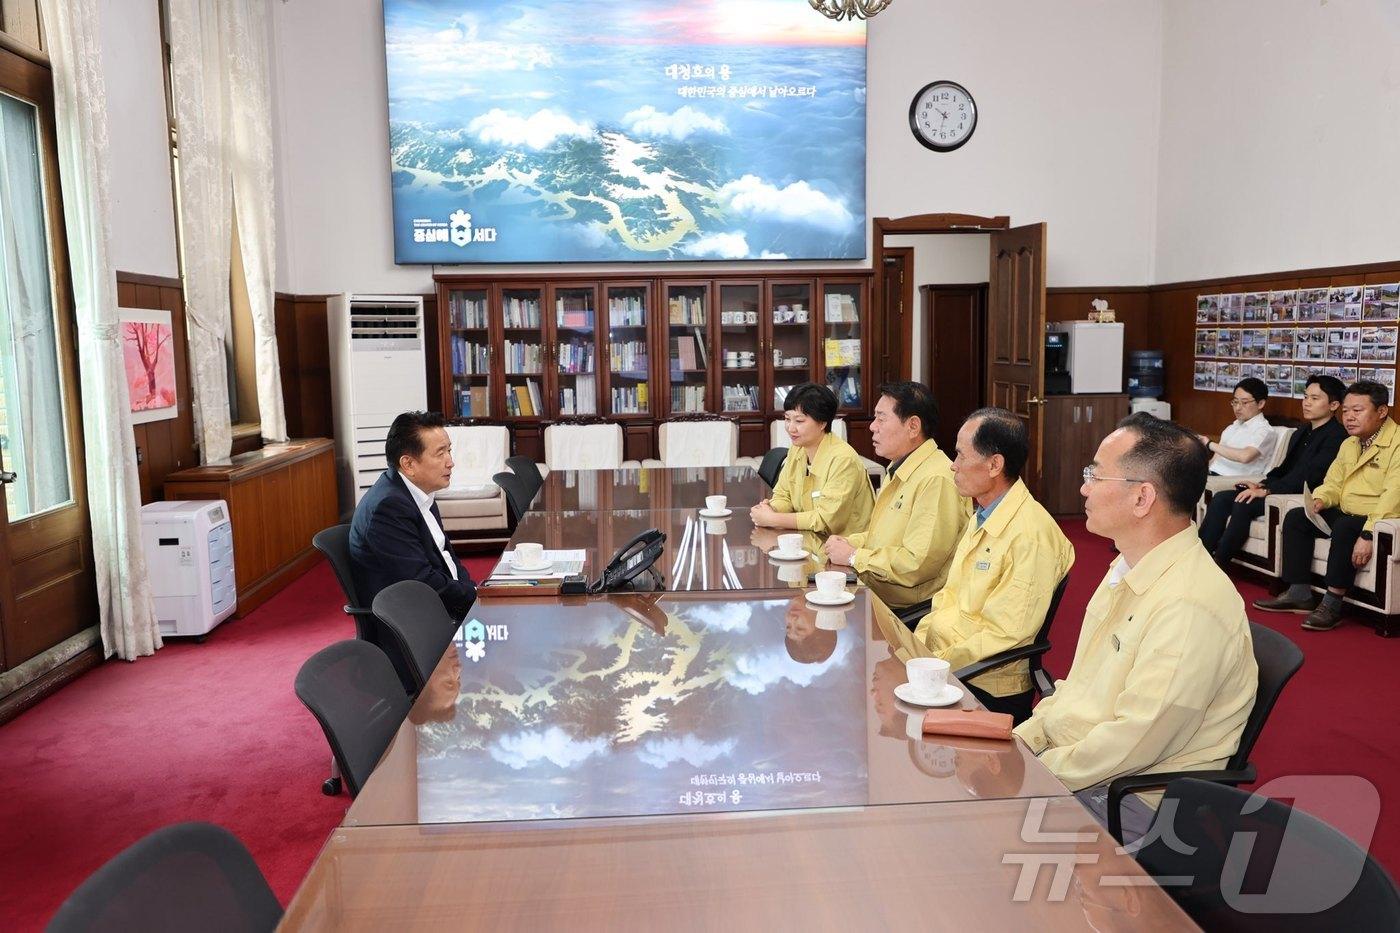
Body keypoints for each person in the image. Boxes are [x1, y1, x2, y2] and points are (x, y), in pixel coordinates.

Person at [1014, 413, 1257, 844]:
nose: (1084, 487)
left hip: (1126, 798)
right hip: (1080, 766)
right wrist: (1024, 740)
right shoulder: (1128, 565)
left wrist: (1034, 772)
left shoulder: (1189, 604)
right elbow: (1079, 686)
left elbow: (1134, 740)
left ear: (1143, 498)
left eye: (1095, 475)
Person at [881, 408, 1074, 724]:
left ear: (994, 464)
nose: (952, 465)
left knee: (888, 716)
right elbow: (948, 598)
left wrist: (932, 663)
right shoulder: (984, 514)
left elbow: (1006, 635)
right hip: (946, 663)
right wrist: (918, 649)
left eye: (960, 455)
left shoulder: (1030, 535)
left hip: (983, 681)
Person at [1253, 381, 1400, 631]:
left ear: (1382, 411)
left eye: (1358, 410)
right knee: (1298, 517)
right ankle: (1298, 591)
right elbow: (1333, 482)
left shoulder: (1396, 444)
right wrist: (1321, 499)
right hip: (1345, 510)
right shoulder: (1350, 443)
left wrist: (1368, 533)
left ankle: (1332, 603)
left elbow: (1393, 496)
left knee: (1344, 527)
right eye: (1345, 411)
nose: (1349, 417)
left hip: (1374, 516)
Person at [823, 382, 969, 619]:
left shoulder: (936, 479)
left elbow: (917, 564)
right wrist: (849, 542)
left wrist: (853, 556)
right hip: (876, 590)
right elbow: (882, 536)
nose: (872, 427)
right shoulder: (899, 466)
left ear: (913, 426)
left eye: (881, 419)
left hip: (909, 610)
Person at [1198, 374, 1347, 567]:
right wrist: (1262, 483)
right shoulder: (1302, 430)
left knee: (1244, 503)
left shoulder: (1337, 436)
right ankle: (1200, 558)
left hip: (1303, 495)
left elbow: (1310, 477)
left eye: (1314, 398)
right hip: (1280, 487)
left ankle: (1219, 563)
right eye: (1305, 397)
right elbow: (1284, 468)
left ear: (1334, 405)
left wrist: (1267, 490)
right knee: (1222, 498)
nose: (1306, 403)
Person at [350, 411, 477, 620]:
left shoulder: (420, 490)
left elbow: (446, 555)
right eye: (440, 454)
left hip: (446, 607)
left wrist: (470, 589)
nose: (450, 462)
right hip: (416, 625)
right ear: (408, 464)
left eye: (449, 451)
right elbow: (421, 582)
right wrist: (473, 595)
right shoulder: (388, 508)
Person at [751, 383, 874, 537]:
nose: (791, 428)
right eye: (787, 419)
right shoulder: (798, 449)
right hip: (809, 539)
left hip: (844, 547)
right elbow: (784, 494)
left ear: (822, 423)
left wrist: (774, 519)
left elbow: (826, 520)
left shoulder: (843, 460)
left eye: (799, 421)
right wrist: (771, 509)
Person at [1197, 377, 1278, 477]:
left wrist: (1209, 444)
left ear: (1260, 403)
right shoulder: (1231, 428)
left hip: (1231, 480)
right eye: (1235, 402)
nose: (1238, 408)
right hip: (1212, 475)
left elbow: (1245, 456)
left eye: (1244, 402)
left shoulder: (1265, 431)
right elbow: (1215, 460)